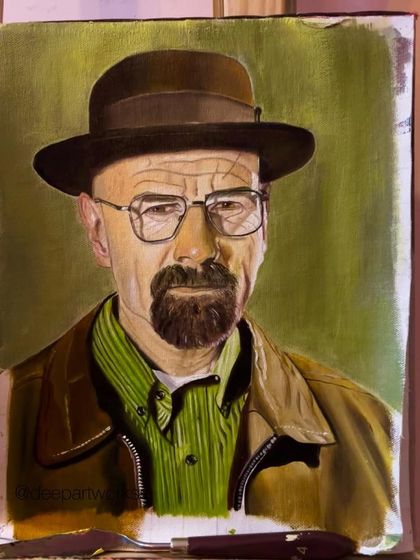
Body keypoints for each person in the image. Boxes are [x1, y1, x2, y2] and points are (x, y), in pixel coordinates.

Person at [5, 50, 395, 544]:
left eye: (229, 203)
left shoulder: (372, 438)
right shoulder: (8, 423)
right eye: (157, 208)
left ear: (265, 221)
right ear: (98, 230)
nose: (198, 247)